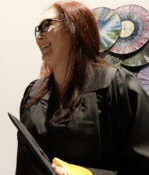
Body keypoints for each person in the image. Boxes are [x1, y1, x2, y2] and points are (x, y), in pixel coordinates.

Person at [16, 1, 149, 175]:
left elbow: (141, 166)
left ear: (75, 29)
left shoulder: (116, 86)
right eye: (37, 29)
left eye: (47, 25)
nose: (39, 35)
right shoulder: (34, 93)